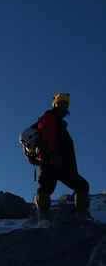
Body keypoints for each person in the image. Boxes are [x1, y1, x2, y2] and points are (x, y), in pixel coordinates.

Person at [34, 93, 90, 227]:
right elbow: (49, 139)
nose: (64, 107)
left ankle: (45, 217)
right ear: (56, 104)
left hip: (56, 163)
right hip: (52, 162)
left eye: (66, 104)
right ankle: (44, 219)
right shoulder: (49, 118)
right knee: (47, 189)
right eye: (62, 103)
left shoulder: (56, 121)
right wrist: (53, 156)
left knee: (79, 186)